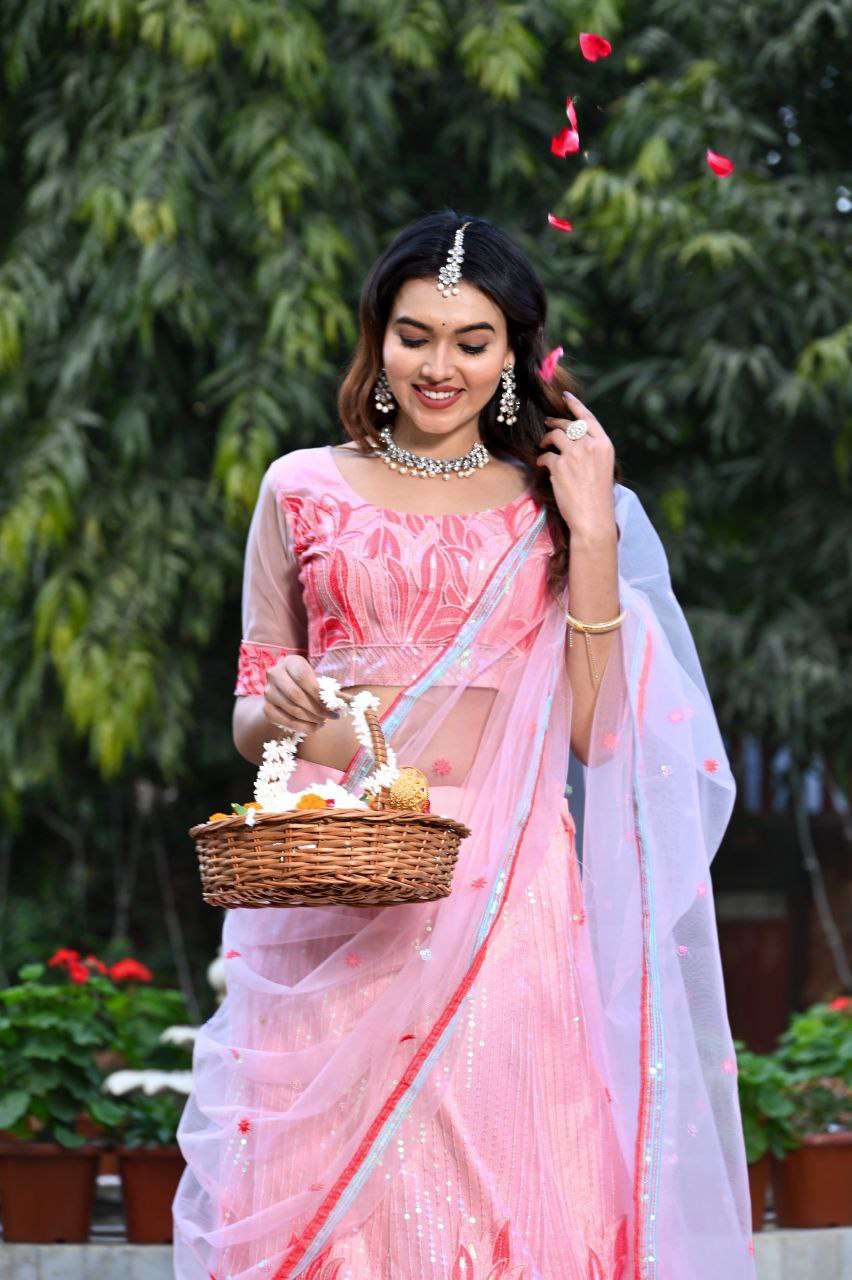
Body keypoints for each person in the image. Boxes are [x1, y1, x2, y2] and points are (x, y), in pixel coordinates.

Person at [173, 211, 756, 1280]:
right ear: (377, 336)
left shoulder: (548, 506)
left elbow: (599, 733)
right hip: (336, 871)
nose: (439, 366)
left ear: (513, 354)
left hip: (503, 887)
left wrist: (593, 528)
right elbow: (251, 715)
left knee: (507, 1174)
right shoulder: (299, 484)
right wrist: (282, 705)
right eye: (414, 335)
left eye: (471, 341)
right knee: (333, 1186)